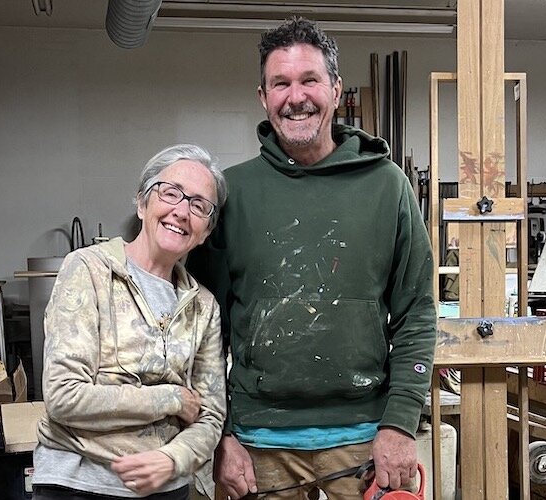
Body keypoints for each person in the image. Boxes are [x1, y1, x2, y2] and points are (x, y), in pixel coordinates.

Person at [187, 17, 436, 499]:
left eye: (309, 80)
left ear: (336, 90)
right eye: (280, 83)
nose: (295, 96)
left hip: (364, 438)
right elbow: (201, 332)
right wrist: (220, 435)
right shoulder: (232, 192)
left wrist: (402, 423)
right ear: (262, 95)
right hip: (257, 445)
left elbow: (416, 314)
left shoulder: (388, 186)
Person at [32, 144, 228, 500]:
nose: (181, 211)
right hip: (78, 483)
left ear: (206, 231)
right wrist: (171, 399)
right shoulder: (88, 270)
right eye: (170, 193)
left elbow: (211, 416)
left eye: (198, 205)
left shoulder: (204, 307)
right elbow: (63, 396)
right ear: (142, 203)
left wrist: (172, 459)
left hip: (166, 488)